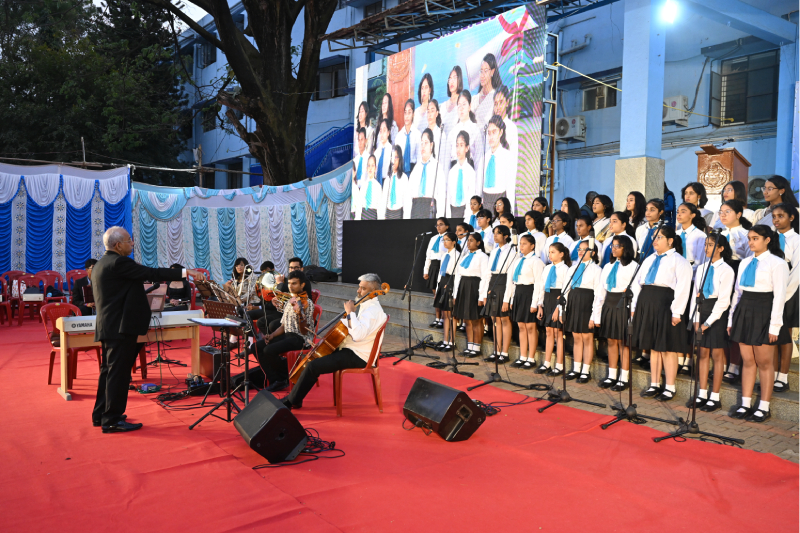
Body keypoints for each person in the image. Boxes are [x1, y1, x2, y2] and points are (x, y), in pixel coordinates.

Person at [92, 227, 205, 433]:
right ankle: (112, 419)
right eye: (129, 240)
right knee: (118, 374)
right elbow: (151, 273)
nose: (132, 244)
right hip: (120, 327)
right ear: (118, 245)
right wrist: (185, 272)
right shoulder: (119, 262)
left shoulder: (102, 263)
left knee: (108, 372)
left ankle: (101, 414)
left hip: (109, 325)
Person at [282, 273, 387, 410]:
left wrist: (350, 313)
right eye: (359, 287)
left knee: (314, 366)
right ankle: (295, 398)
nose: (358, 290)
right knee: (315, 356)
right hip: (351, 349)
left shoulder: (373, 311)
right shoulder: (367, 306)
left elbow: (358, 335)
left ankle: (291, 401)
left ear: (373, 291)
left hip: (359, 355)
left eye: (363, 288)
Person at [727, 225, 789, 422]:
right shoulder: (745, 262)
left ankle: (764, 406)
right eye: (749, 238)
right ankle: (745, 403)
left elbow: (779, 296)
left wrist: (775, 326)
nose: (750, 242)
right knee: (748, 360)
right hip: (745, 309)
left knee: (764, 361)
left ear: (767, 240)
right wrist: (731, 318)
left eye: (755, 238)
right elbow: (737, 293)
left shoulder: (777, 263)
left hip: (764, 309)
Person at [630, 226, 693, 402]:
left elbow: (683, 288)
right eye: (654, 237)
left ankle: (670, 386)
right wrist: (635, 306)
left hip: (666, 304)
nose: (655, 240)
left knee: (667, 348)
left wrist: (677, 312)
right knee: (653, 347)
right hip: (647, 301)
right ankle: (654, 383)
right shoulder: (649, 259)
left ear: (670, 241)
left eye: (659, 237)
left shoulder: (679, 261)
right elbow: (637, 284)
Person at [687, 234, 735, 413]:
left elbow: (724, 300)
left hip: (717, 313)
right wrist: (696, 319)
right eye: (706, 245)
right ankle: (702, 393)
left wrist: (707, 323)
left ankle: (715, 396)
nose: (707, 248)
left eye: (711, 245)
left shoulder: (727, 270)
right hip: (702, 309)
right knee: (702, 353)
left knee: (717, 354)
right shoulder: (701, 268)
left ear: (721, 248)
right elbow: (695, 295)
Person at [253, 270, 315, 393]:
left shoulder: (307, 303)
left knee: (268, 350)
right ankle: (274, 378)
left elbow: (303, 331)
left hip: (300, 339)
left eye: (294, 284)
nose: (290, 286)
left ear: (302, 285)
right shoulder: (291, 300)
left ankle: (284, 378)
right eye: (290, 283)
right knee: (256, 347)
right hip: (288, 335)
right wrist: (272, 335)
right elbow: (283, 325)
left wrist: (300, 315)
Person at [593, 236, 638, 391]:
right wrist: (597, 313)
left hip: (624, 303)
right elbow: (601, 290)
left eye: (617, 246)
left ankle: (623, 378)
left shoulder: (633, 266)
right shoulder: (608, 266)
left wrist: (633, 312)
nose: (613, 248)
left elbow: (637, 291)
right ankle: (612, 375)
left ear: (626, 248)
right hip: (609, 303)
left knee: (623, 343)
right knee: (611, 340)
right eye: (612, 246)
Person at [563, 240, 602, 383]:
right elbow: (566, 289)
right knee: (576, 337)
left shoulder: (596, 270)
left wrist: (594, 316)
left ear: (593, 253)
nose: (580, 251)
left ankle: (586, 370)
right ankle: (576, 368)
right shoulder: (572, 268)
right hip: (574, 301)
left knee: (587, 338)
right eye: (579, 249)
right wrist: (563, 308)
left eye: (585, 249)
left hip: (587, 302)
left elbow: (598, 293)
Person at [506, 234, 545, 369]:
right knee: (521, 326)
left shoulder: (536, 261)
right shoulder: (518, 261)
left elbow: (539, 283)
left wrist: (535, 303)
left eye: (524, 244)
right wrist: (511, 299)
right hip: (519, 293)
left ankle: (531, 358)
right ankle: (523, 356)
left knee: (530, 327)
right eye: (520, 243)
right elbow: (513, 282)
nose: (521, 246)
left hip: (530, 293)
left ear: (532, 246)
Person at [772, 203, 799, 393]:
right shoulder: (771, 238)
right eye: (774, 216)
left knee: (785, 333)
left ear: (791, 217)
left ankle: (783, 376)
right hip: (771, 288)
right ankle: (771, 374)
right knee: (771, 332)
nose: (776, 220)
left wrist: (784, 295)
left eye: (780, 216)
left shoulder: (796, 240)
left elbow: (797, 270)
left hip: (789, 288)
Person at [452, 232, 490, 357]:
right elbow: (458, 275)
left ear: (478, 243)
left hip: (475, 287)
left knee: (476, 320)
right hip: (463, 286)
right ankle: (470, 346)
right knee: (467, 319)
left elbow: (485, 277)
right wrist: (455, 294)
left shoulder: (483, 257)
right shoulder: (464, 256)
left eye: (471, 240)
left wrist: (481, 295)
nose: (468, 243)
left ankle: (476, 348)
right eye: (468, 240)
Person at [535, 243, 571, 376]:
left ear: (561, 254)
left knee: (558, 334)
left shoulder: (566, 269)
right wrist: (540, 305)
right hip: (547, 299)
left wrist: (559, 309)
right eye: (549, 252)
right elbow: (541, 286)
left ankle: (559, 365)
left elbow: (566, 290)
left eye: (553, 252)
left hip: (558, 300)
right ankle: (547, 363)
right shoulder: (547, 268)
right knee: (548, 332)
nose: (550, 255)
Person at [485, 226, 516, 363]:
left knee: (504, 319)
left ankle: (504, 352)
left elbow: (511, 276)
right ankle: (496, 350)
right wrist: (484, 292)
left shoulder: (512, 251)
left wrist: (507, 298)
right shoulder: (494, 251)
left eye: (498, 233)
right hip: (493, 282)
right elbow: (488, 272)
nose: (495, 236)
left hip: (504, 282)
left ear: (506, 236)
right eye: (494, 233)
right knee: (494, 319)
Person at [405, 128, 443, 218]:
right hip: (416, 211)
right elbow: (408, 198)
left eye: (426, 143)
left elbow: (441, 198)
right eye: (421, 143)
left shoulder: (437, 167)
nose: (423, 146)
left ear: (431, 145)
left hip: (429, 211)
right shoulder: (416, 169)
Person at [433, 232, 461, 352]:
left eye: (447, 240)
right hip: (443, 282)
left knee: (451, 314)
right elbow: (440, 272)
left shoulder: (458, 255)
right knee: (444, 314)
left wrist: (455, 292)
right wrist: (438, 287)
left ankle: (452, 341)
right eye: (443, 240)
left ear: (454, 242)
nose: (445, 242)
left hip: (451, 281)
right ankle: (445, 340)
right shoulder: (444, 255)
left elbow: (458, 275)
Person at [482, 115, 516, 210]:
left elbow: (510, 187)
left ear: (501, 132)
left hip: (500, 200)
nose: (491, 136)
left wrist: (510, 213)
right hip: (486, 201)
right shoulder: (484, 158)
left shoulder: (507, 156)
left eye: (494, 132)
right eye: (489, 133)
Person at [424, 218, 450, 328]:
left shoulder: (449, 238)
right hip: (434, 266)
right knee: (435, 295)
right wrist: (426, 271)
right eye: (437, 225)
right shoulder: (433, 238)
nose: (438, 227)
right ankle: (437, 318)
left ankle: (445, 319)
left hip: (443, 265)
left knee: (443, 294)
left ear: (447, 226)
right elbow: (428, 255)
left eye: (441, 224)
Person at [449, 90, 481, 174]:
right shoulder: (452, 132)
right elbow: (448, 160)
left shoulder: (475, 129)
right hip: (454, 172)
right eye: (459, 105)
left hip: (469, 173)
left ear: (469, 106)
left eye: (464, 104)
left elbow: (478, 160)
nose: (461, 108)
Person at [445, 131, 476, 218]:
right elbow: (448, 198)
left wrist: (466, 219)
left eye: (461, 145)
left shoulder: (471, 172)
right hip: (452, 212)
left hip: (465, 212)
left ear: (467, 148)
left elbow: (471, 198)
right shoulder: (452, 171)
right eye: (457, 145)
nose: (458, 149)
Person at [472, 53, 502, 131]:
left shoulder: (496, 97)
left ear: (492, 72)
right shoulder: (475, 99)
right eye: (481, 71)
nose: (482, 75)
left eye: (485, 71)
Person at [675, 202, 708, 271]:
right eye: (677, 212)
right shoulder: (675, 234)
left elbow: (700, 259)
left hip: (692, 272)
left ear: (692, 215)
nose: (679, 214)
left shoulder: (700, 235)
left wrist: (689, 272)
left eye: (683, 212)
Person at [493, 86, 518, 167]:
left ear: (507, 102)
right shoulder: (490, 127)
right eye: (496, 104)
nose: (498, 107)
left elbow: (514, 159)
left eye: (501, 102)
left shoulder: (511, 128)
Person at [382, 145, 409, 219]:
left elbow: (407, 203)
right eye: (392, 157)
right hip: (388, 214)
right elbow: (384, 201)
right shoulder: (387, 179)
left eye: (396, 157)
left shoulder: (404, 178)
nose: (394, 160)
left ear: (400, 159)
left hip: (398, 214)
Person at [395, 99, 421, 175]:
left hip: (414, 170)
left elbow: (419, 159)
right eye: (405, 113)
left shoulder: (417, 135)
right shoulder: (398, 136)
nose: (407, 116)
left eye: (409, 112)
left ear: (413, 114)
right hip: (401, 171)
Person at [355, 155, 383, 220]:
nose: (370, 168)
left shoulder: (378, 187)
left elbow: (380, 210)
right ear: (367, 168)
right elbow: (359, 208)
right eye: (369, 165)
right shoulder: (363, 186)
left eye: (372, 165)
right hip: (363, 216)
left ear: (375, 168)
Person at [372, 118, 393, 185]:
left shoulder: (391, 150)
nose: (382, 134)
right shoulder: (376, 152)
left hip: (386, 183)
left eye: (384, 130)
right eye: (380, 131)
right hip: (376, 182)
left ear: (388, 132)